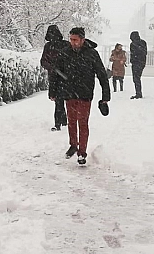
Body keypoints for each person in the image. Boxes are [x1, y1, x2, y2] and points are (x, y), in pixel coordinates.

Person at [51, 27, 110, 165]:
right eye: (71, 39)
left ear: (82, 39)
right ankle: (73, 145)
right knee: (71, 122)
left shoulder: (92, 54)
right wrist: (52, 91)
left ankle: (82, 153)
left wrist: (105, 96)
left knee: (82, 122)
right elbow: (56, 72)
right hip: (69, 92)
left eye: (75, 40)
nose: (72, 42)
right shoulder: (65, 53)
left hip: (85, 93)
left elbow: (102, 74)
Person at [40, 24, 70, 131]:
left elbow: (71, 58)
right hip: (56, 76)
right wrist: (52, 67)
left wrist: (56, 67)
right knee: (59, 100)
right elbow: (43, 61)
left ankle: (61, 122)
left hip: (63, 75)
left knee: (61, 99)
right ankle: (61, 122)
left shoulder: (63, 45)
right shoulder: (50, 46)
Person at [129, 31, 148, 99]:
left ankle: (138, 93)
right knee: (137, 78)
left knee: (136, 78)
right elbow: (144, 52)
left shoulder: (133, 44)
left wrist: (133, 60)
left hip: (136, 63)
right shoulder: (143, 42)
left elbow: (133, 54)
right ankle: (138, 92)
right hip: (142, 62)